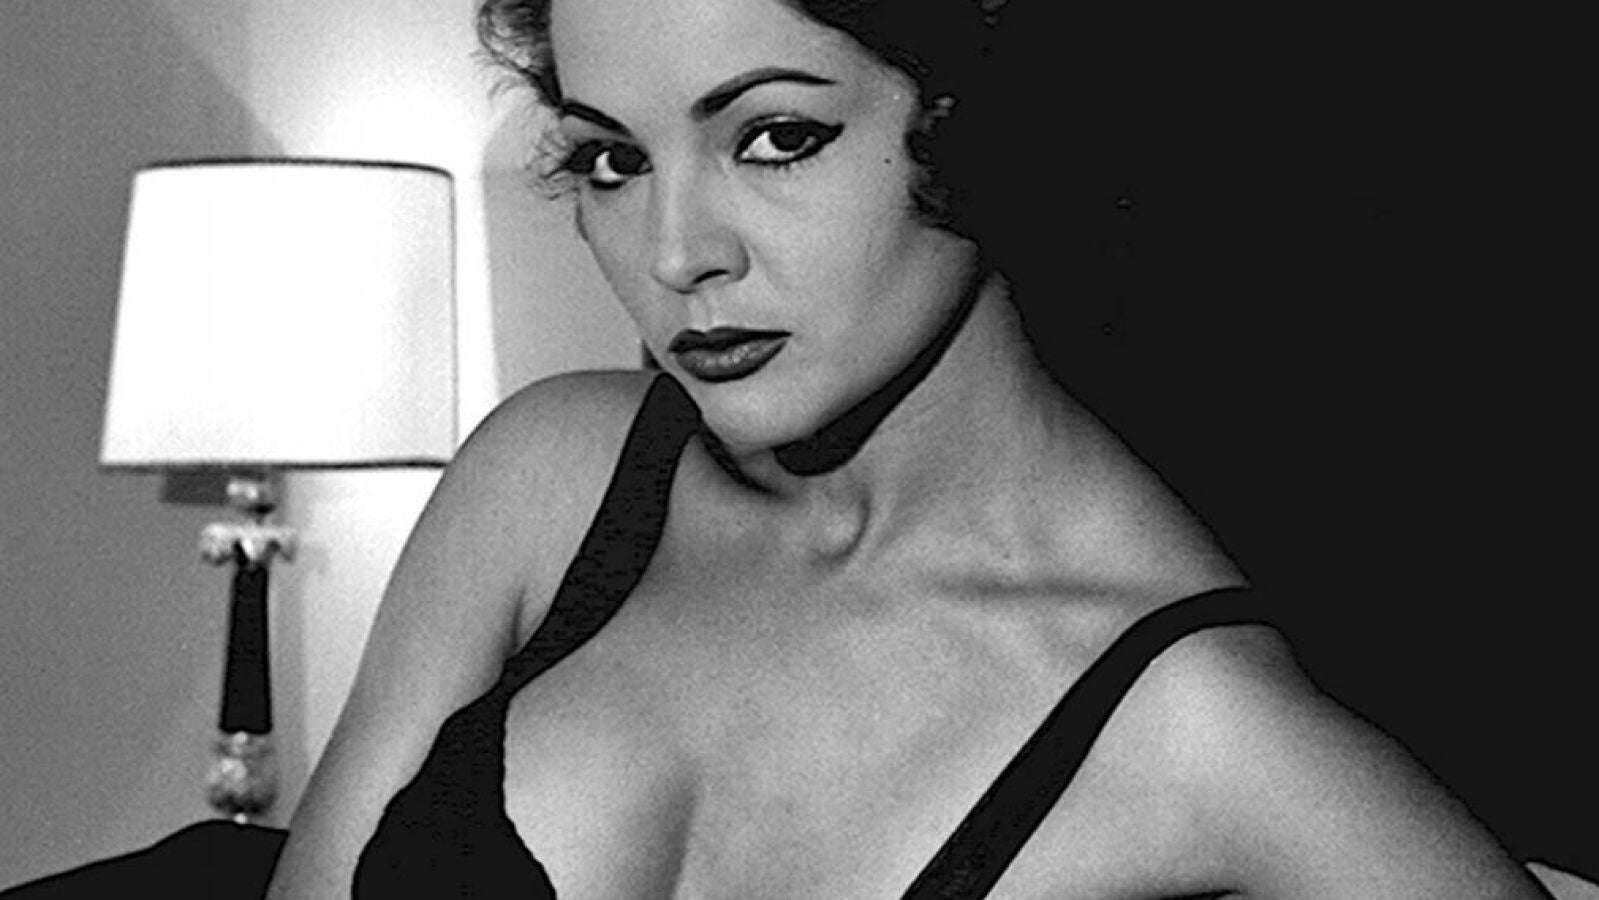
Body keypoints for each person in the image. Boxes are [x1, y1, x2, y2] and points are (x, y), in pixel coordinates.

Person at [262, 0, 1566, 897]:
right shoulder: (547, 481)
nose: (677, 253)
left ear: (975, 114)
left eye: (776, 138)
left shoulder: (1200, 724)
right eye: (613, 159)